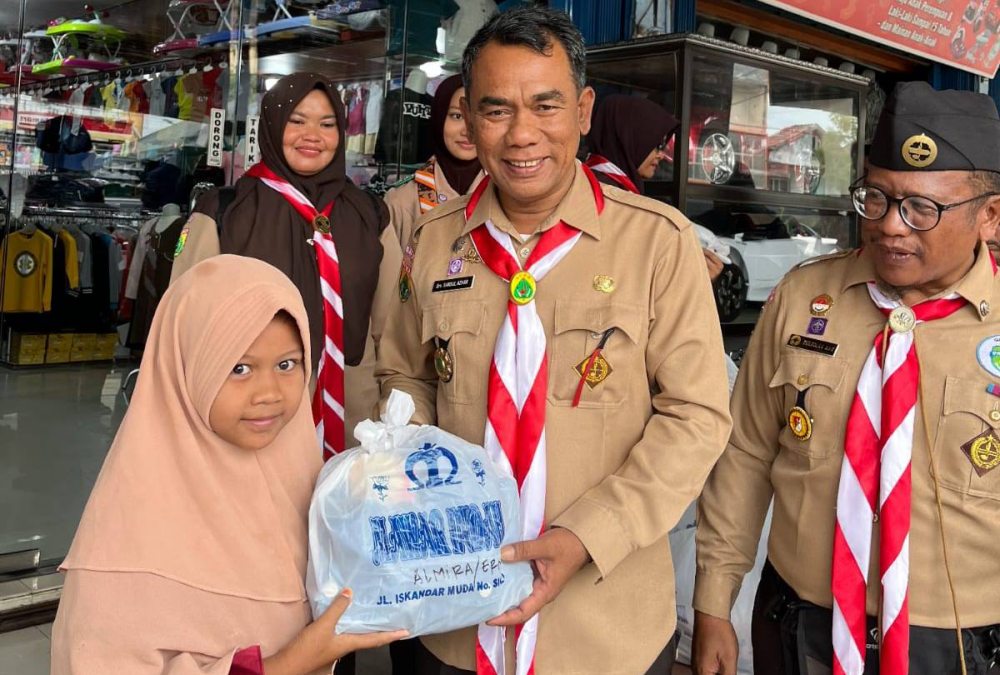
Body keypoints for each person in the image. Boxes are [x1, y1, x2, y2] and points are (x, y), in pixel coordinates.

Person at [376, 6, 732, 674]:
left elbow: (697, 416)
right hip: (452, 618)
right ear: (468, 118)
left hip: (604, 629)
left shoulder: (657, 243)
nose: (522, 135)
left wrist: (589, 533)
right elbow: (404, 376)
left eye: (546, 105)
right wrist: (412, 458)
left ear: (583, 110)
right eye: (496, 110)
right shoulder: (431, 241)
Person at [692, 81, 1000, 675]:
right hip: (800, 623)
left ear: (989, 216)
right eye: (876, 198)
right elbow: (746, 454)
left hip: (958, 645)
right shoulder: (805, 296)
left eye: (922, 208)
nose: (890, 226)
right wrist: (713, 603)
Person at [51, 255, 406, 674]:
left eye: (287, 364)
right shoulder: (124, 549)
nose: (268, 393)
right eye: (239, 368)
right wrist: (292, 662)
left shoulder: (303, 478)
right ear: (186, 367)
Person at [170, 72, 401, 456]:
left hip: (355, 423)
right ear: (273, 125)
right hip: (254, 418)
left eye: (327, 124)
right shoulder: (226, 211)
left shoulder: (370, 215)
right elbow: (184, 326)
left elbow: (392, 327)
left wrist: (391, 411)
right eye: (297, 121)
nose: (312, 135)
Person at [585, 94, 725, 282]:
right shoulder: (599, 195)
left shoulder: (609, 187)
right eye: (656, 145)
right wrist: (690, 276)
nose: (661, 154)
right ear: (629, 137)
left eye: (663, 145)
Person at [384, 73, 486, 253]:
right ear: (439, 118)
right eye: (457, 116)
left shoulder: (506, 194)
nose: (468, 131)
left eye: (477, 117)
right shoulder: (402, 200)